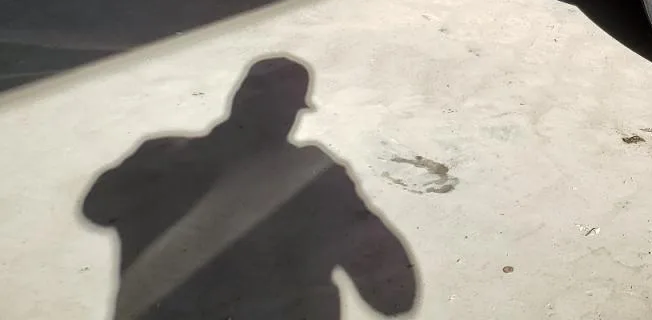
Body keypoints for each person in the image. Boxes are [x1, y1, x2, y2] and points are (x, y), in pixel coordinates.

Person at [83, 56, 418, 320]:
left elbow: (95, 209)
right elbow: (394, 296)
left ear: (237, 100)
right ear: (291, 113)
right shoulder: (315, 180)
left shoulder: (159, 155)